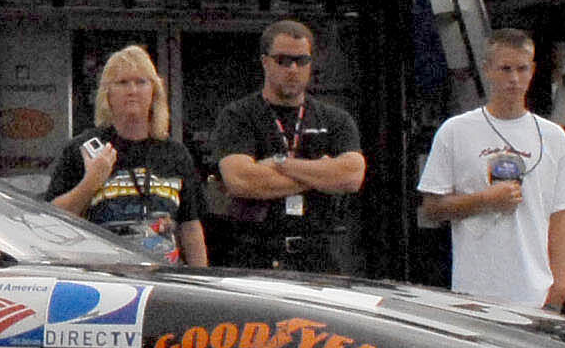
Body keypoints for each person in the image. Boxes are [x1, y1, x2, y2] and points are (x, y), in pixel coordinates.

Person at [416, 25, 565, 312]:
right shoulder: (455, 131)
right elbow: (432, 208)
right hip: (474, 291)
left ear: (532, 71)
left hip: (535, 291)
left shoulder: (553, 136)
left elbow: (560, 213)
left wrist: (559, 283)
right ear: (487, 70)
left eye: (521, 69)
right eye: (505, 69)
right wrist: (484, 200)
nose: (514, 79)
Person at [206, 18, 369, 272]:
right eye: (283, 60)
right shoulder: (238, 115)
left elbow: (352, 175)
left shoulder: (334, 118)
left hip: (316, 254)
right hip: (254, 255)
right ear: (265, 61)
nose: (293, 69)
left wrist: (280, 164)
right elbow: (241, 180)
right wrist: (321, 175)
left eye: (301, 60)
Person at [52, 46, 204, 264]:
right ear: (108, 94)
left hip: (165, 279)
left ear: (154, 92)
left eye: (141, 82)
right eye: (123, 83)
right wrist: (90, 183)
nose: (132, 90)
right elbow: (52, 220)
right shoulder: (84, 149)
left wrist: (200, 283)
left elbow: (191, 227)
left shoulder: (176, 154)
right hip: (104, 279)